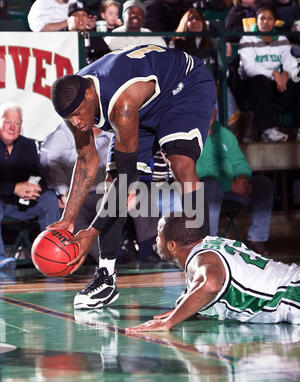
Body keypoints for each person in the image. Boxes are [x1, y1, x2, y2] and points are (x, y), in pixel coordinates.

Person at [49, 43, 216, 309]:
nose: (78, 123)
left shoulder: (121, 106)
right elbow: (86, 161)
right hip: (145, 103)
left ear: (90, 95)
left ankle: (208, 266)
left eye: (79, 115)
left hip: (184, 87)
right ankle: (105, 277)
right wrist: (67, 220)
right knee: (111, 180)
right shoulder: (76, 98)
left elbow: (128, 183)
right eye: (71, 119)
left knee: (181, 163)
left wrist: (90, 233)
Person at [125, 212, 300, 334]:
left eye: (158, 234)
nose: (156, 239)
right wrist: (183, 309)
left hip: (291, 296)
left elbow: (210, 284)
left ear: (172, 245)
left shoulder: (199, 258)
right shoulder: (211, 243)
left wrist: (168, 323)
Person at [196, 109, 273, 256]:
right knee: (212, 185)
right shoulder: (191, 134)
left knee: (263, 184)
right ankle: (209, 243)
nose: (208, 113)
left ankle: (256, 239)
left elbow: (239, 162)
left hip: (233, 189)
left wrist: (243, 178)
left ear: (215, 112)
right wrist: (230, 184)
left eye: (211, 109)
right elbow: (199, 170)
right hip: (207, 191)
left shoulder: (225, 134)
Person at [40, 122, 112, 262]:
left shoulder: (111, 131)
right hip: (77, 192)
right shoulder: (62, 134)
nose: (77, 120)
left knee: (141, 201)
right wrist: (63, 193)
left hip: (105, 190)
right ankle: (106, 258)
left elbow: (120, 163)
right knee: (74, 214)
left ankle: (146, 251)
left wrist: (128, 191)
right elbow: (51, 164)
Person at [0, 103, 60, 270]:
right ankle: (0, 258)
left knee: (48, 198)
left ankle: (53, 256)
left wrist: (33, 187)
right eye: (7, 122)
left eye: (17, 123)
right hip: (2, 203)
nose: (12, 127)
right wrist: (14, 188)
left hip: (23, 203)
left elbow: (38, 174)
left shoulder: (27, 145)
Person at [237, 5, 300, 142]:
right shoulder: (247, 39)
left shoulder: (282, 39)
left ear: (275, 21)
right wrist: (274, 73)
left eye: (270, 18)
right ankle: (268, 130)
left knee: (297, 81)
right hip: (249, 86)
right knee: (259, 80)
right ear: (257, 21)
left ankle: (298, 127)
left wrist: (286, 74)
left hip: (275, 84)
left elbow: (291, 63)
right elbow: (249, 69)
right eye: (262, 18)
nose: (266, 22)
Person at [168, 8, 219, 82]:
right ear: (184, 23)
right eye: (190, 19)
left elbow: (218, 69)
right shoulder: (176, 43)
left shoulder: (211, 43)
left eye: (198, 19)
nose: (195, 21)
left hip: (208, 85)